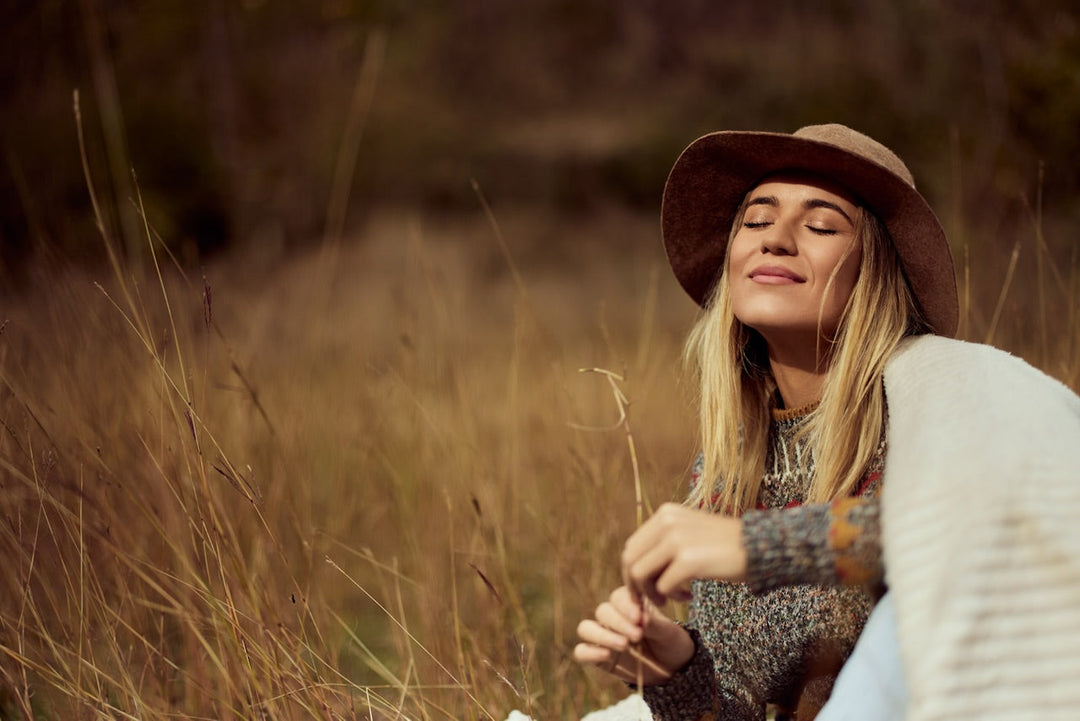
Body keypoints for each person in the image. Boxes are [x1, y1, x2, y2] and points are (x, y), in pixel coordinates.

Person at [573, 124, 1080, 720]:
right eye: (756, 221)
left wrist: (759, 545)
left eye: (820, 226)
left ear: (877, 270)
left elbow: (995, 520)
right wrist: (675, 669)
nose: (777, 241)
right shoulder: (727, 469)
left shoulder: (939, 392)